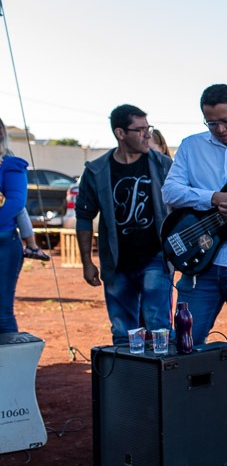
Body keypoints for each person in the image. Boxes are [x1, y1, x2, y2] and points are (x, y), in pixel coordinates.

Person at [161, 84, 227, 451]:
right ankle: (187, 413)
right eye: (211, 123)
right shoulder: (192, 146)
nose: (220, 129)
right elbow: (170, 191)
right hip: (200, 262)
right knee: (186, 341)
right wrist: (210, 198)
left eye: (225, 120)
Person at [74, 105, 173, 345]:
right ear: (120, 133)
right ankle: (127, 381)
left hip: (156, 257)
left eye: (147, 128)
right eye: (140, 130)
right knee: (122, 331)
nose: (147, 134)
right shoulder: (97, 171)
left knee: (158, 325)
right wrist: (87, 263)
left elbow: (183, 207)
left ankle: (160, 380)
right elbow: (84, 216)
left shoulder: (162, 165)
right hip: (116, 262)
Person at [0, 116, 29, 333]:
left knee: (2, 313)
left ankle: (10, 365)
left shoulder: (10, 165)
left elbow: (17, 202)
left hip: (4, 242)